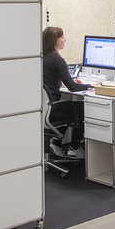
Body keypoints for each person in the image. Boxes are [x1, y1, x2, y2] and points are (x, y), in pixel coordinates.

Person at [42, 26, 93, 159]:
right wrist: (92, 86)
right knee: (81, 108)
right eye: (62, 37)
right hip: (53, 111)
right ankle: (74, 148)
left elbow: (46, 81)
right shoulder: (57, 60)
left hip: (42, 110)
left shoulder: (40, 58)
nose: (65, 40)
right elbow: (73, 88)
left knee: (70, 107)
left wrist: (62, 81)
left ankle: (57, 144)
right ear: (54, 41)